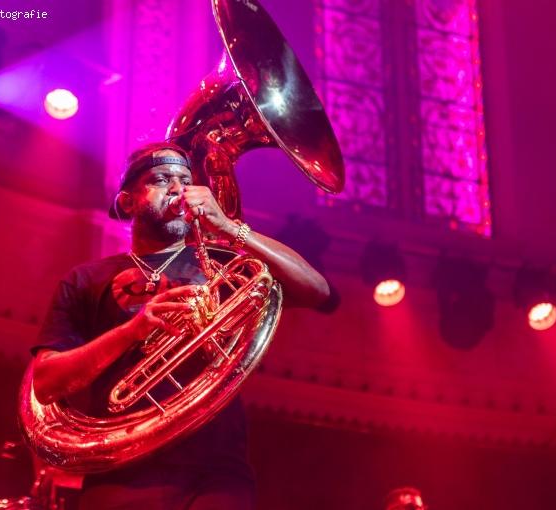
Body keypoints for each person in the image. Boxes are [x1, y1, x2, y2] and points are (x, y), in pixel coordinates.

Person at [30, 141, 332, 510]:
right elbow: (45, 383)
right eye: (160, 179)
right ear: (127, 203)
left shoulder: (224, 264)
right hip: (122, 470)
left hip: (218, 470)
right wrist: (133, 330)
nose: (177, 189)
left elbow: (317, 290)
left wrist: (228, 227)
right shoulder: (84, 279)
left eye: (184, 180)